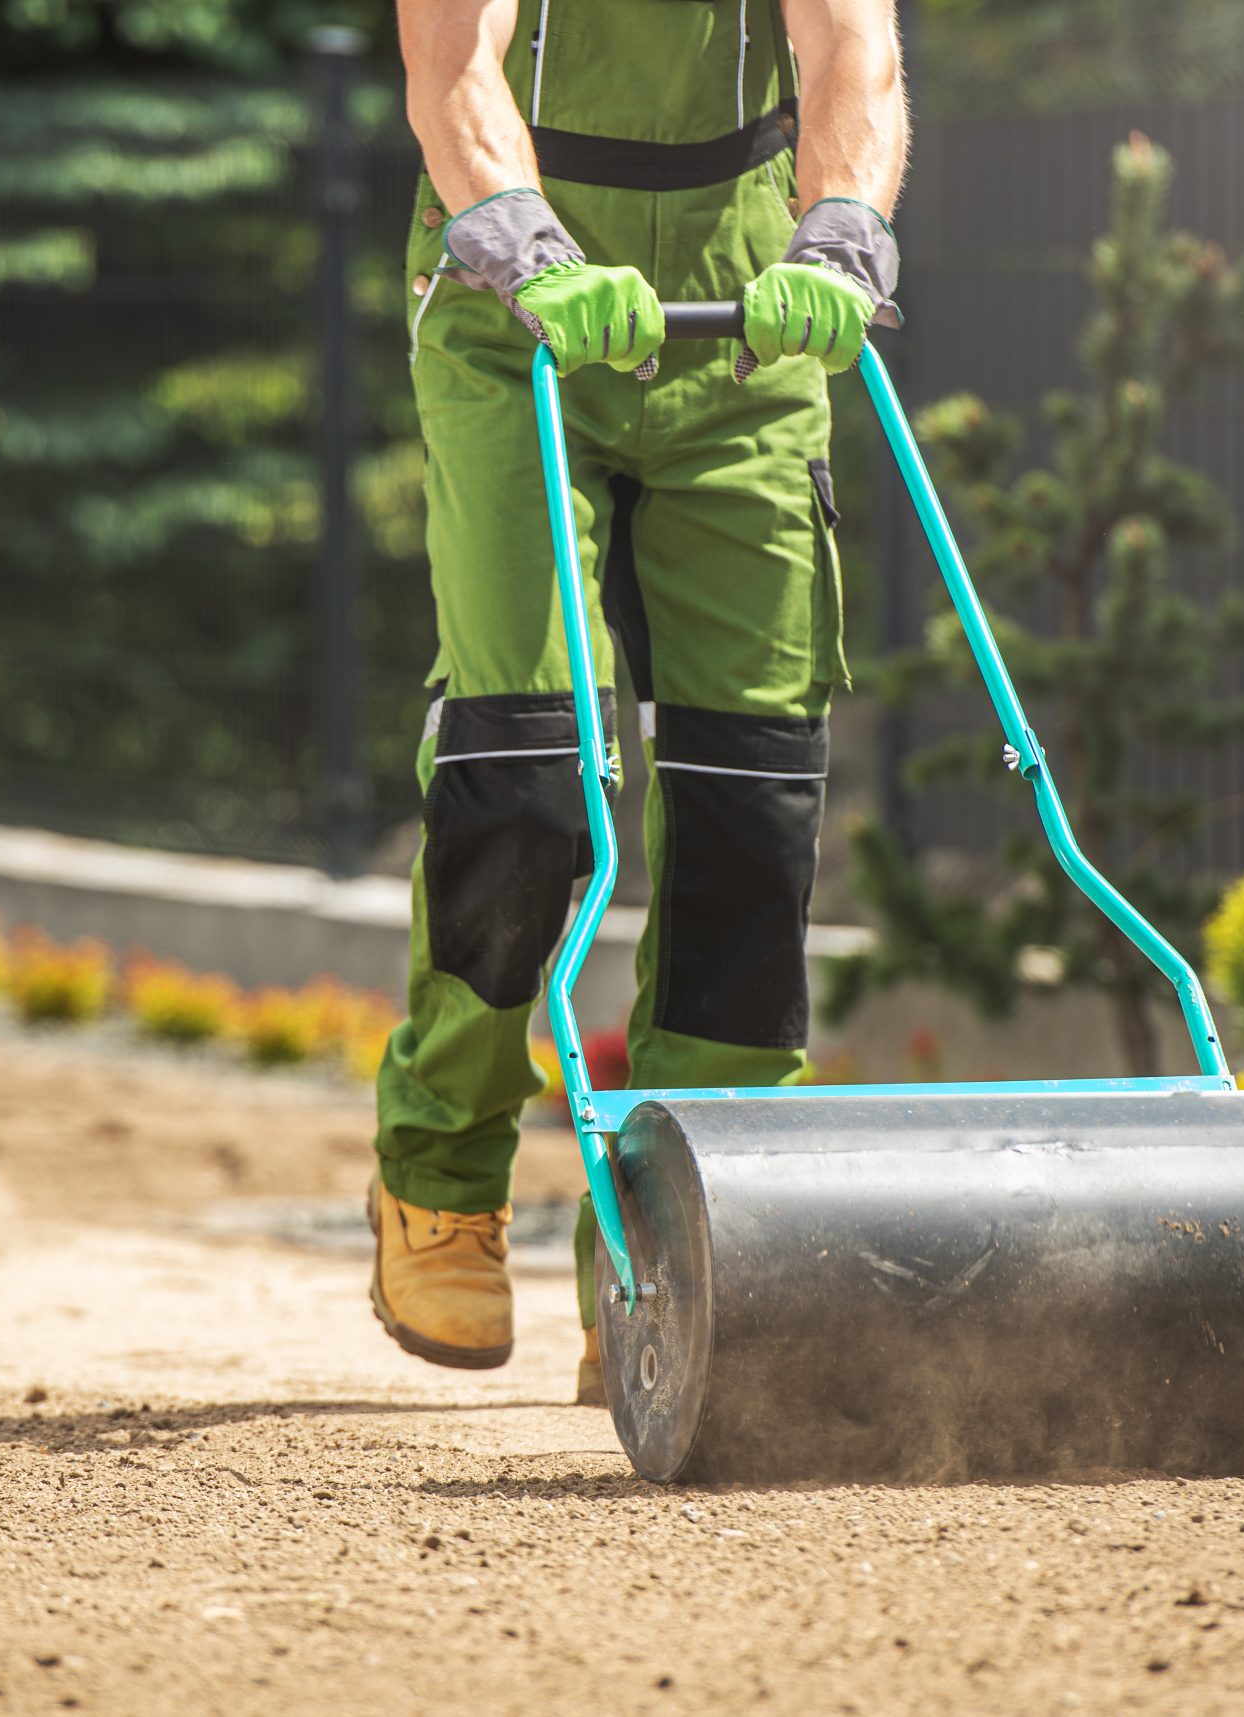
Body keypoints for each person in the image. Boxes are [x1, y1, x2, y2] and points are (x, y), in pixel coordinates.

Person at [370, 0, 907, 1398]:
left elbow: (851, 49)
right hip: (518, 312)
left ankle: (679, 1243)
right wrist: (528, 246)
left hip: (745, 327)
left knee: (751, 802)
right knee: (530, 774)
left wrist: (841, 230)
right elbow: (453, 64)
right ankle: (439, 1174)